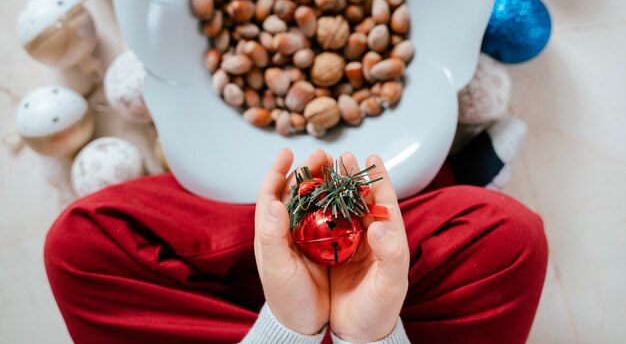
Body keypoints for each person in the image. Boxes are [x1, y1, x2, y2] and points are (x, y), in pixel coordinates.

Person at [44, 149, 548, 343]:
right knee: (506, 239)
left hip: (235, 324)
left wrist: (286, 328)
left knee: (81, 247)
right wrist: (366, 335)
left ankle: (270, 234)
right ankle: (437, 180)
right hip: (392, 322)